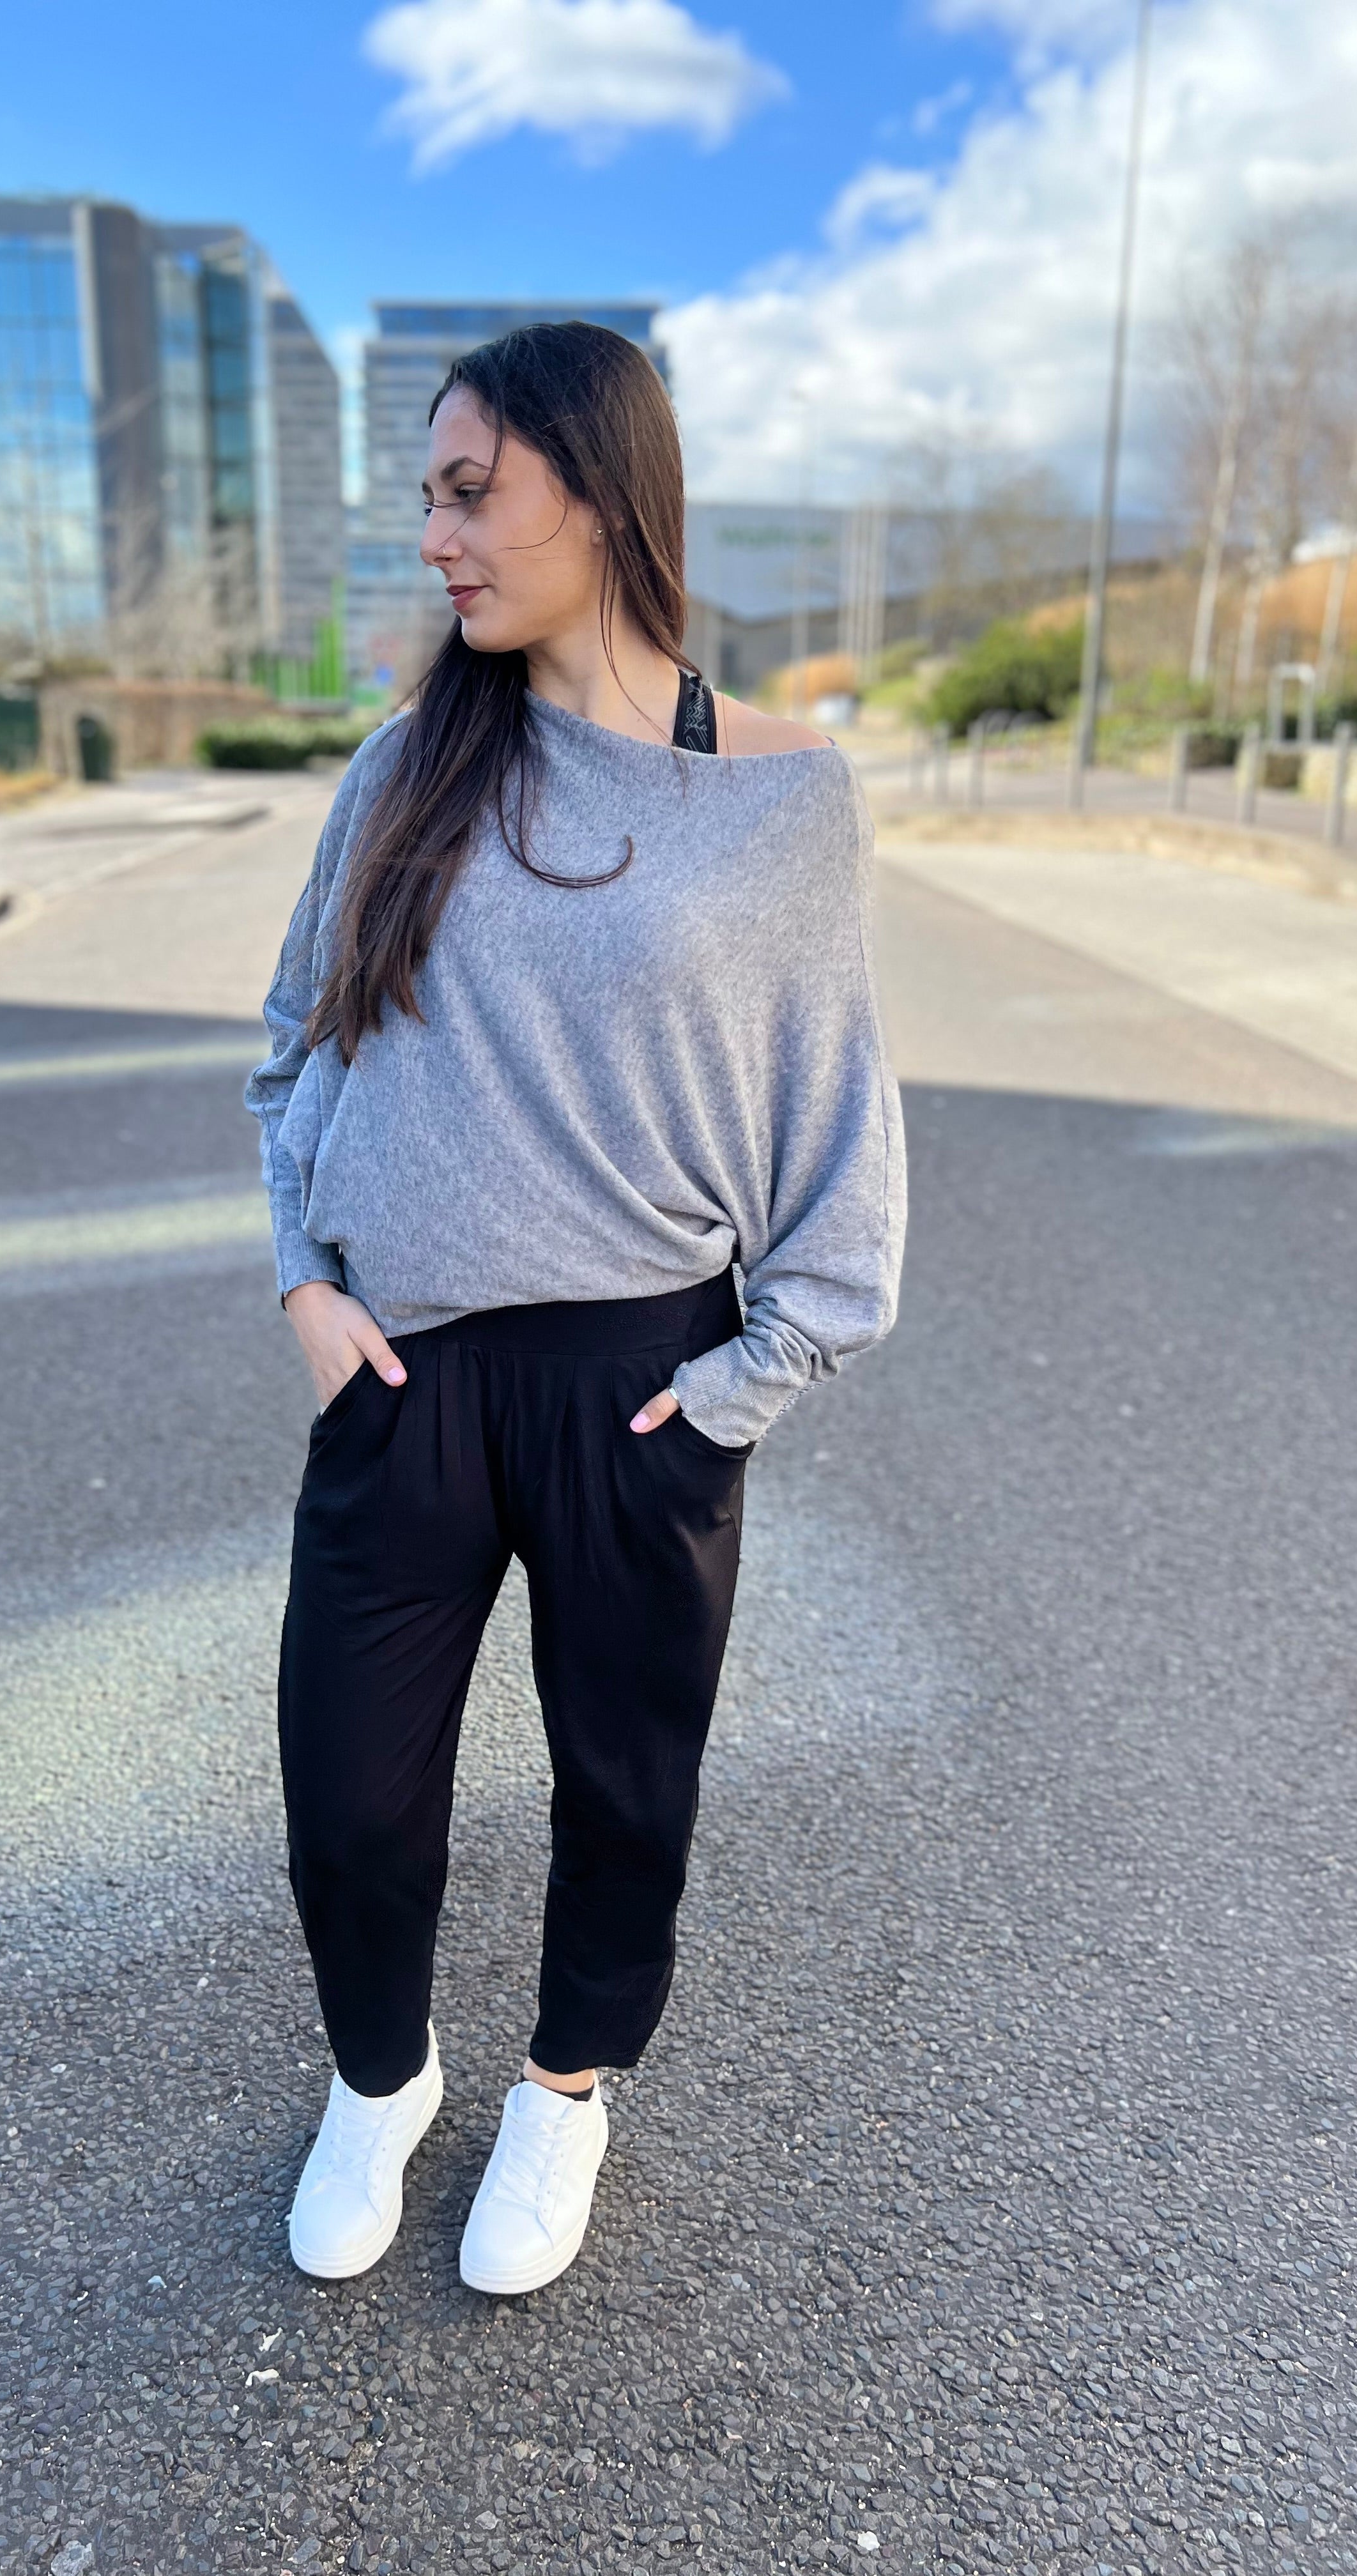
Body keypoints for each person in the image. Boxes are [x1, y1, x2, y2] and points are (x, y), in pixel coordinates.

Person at [246, 321, 905, 2297]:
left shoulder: (783, 796)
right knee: (350, 1797)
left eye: (470, 489)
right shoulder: (408, 767)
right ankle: (383, 2083)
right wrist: (302, 1279)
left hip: (643, 1378)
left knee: (628, 1786)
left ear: (600, 491)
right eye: (427, 495)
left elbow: (831, 1106)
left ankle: (562, 2092)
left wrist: (750, 1378)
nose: (434, 536)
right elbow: (294, 1050)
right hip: (407, 1374)